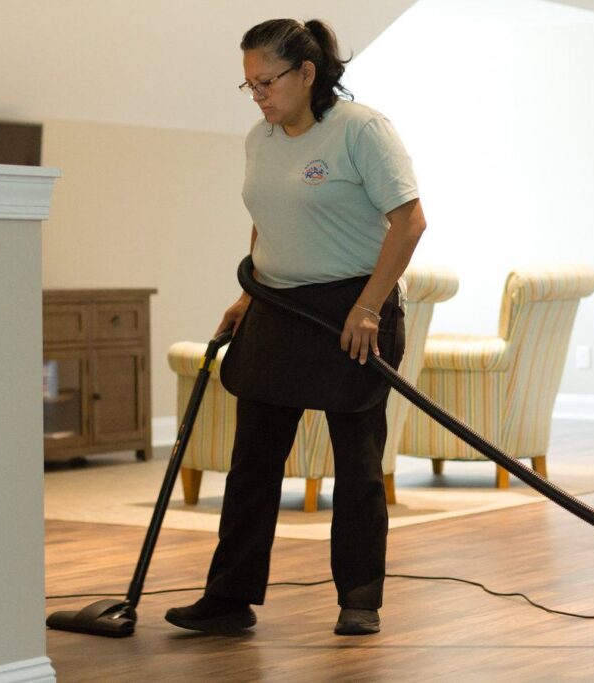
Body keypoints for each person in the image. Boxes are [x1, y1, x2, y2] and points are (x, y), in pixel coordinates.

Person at [165, 18, 425, 636]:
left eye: (267, 81)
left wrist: (369, 308)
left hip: (349, 312)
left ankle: (359, 600)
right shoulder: (261, 138)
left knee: (357, 462)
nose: (258, 95)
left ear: (307, 74)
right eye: (249, 84)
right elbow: (268, 218)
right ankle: (229, 599)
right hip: (277, 308)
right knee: (252, 461)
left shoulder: (361, 130)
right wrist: (247, 294)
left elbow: (409, 222)